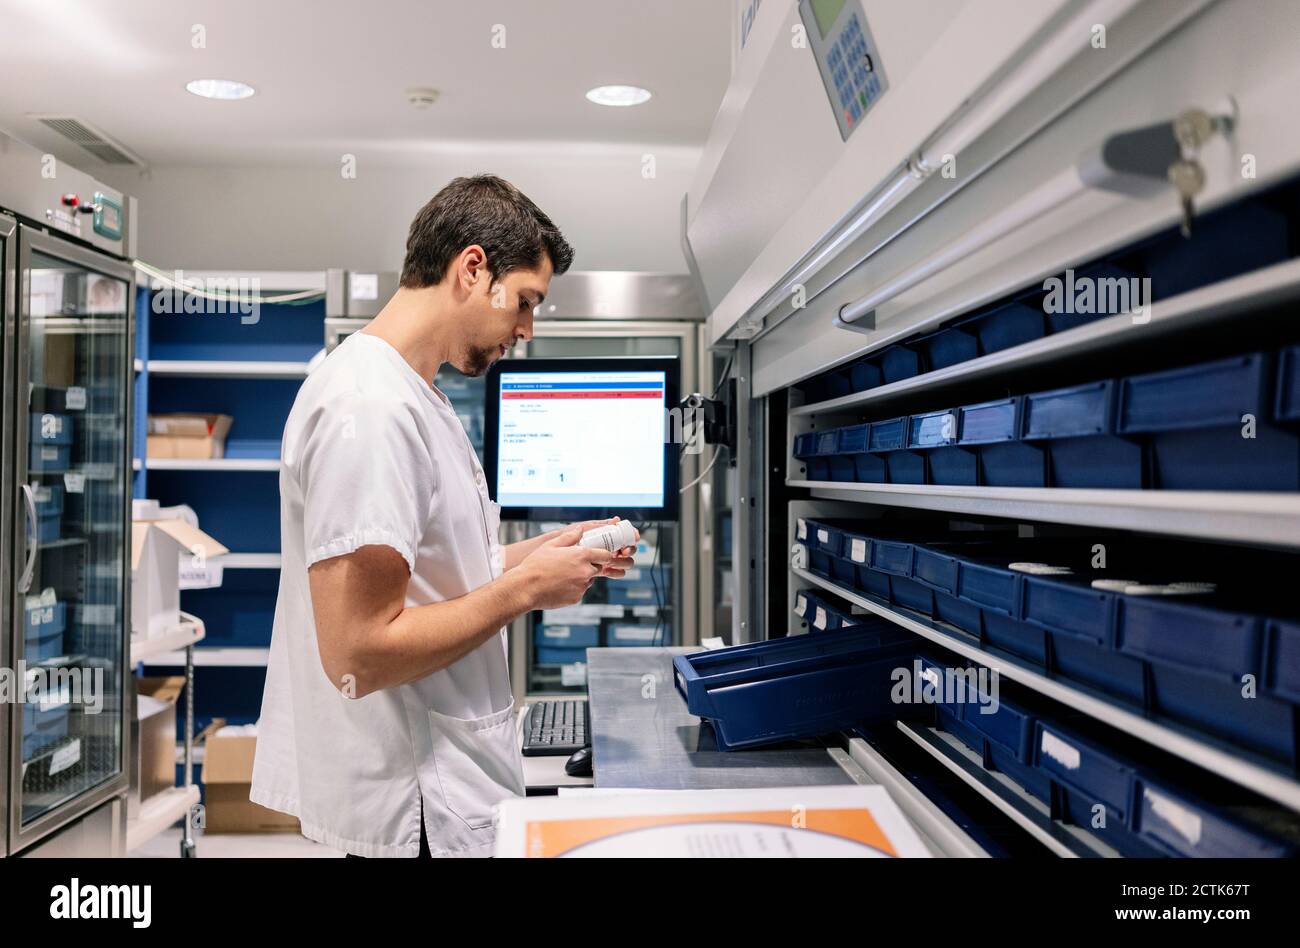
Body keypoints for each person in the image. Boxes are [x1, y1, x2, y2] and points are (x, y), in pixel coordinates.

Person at [250, 175, 637, 857]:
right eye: (525, 301)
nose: (526, 328)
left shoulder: (416, 397)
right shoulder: (369, 408)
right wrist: (526, 591)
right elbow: (360, 652)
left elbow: (447, 574)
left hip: (447, 790)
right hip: (416, 808)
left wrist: (551, 554)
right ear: (471, 268)